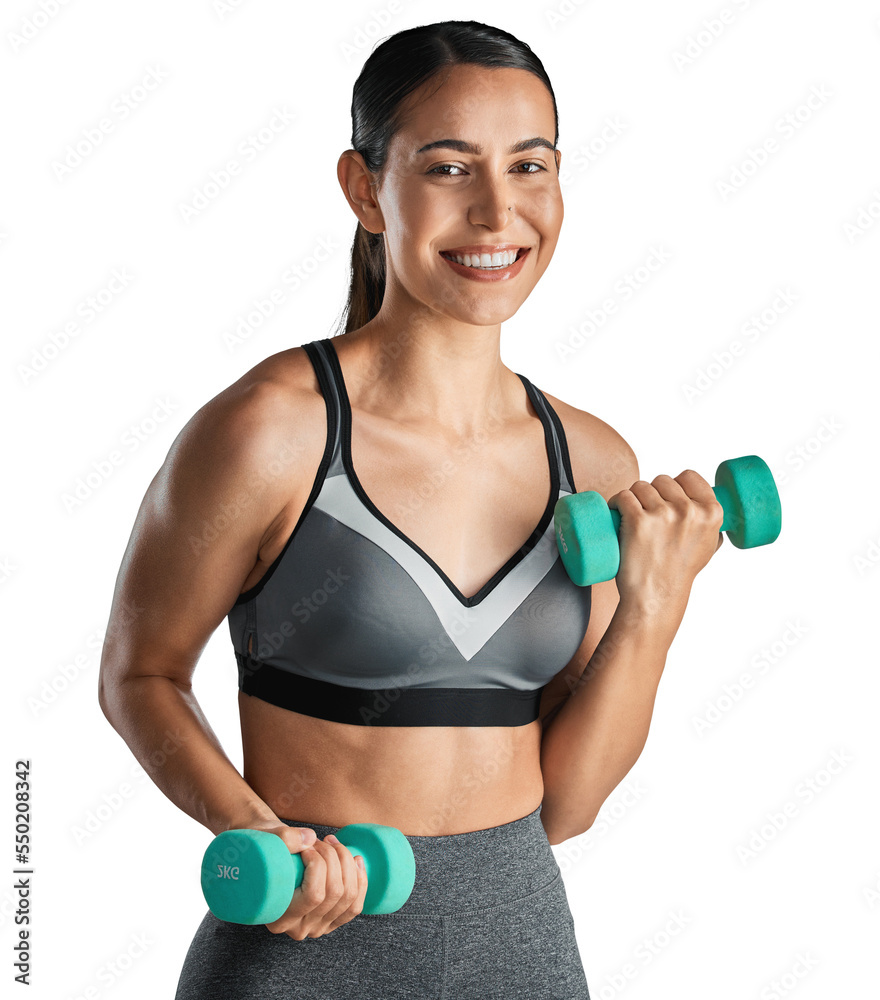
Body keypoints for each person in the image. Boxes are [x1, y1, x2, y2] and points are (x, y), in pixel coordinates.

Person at [98, 19, 724, 1000]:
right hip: (306, 940)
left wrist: (655, 605)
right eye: (447, 168)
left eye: (530, 166)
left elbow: (568, 803)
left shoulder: (591, 460)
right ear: (365, 189)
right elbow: (139, 673)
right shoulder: (272, 431)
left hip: (519, 941)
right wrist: (252, 830)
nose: (495, 211)